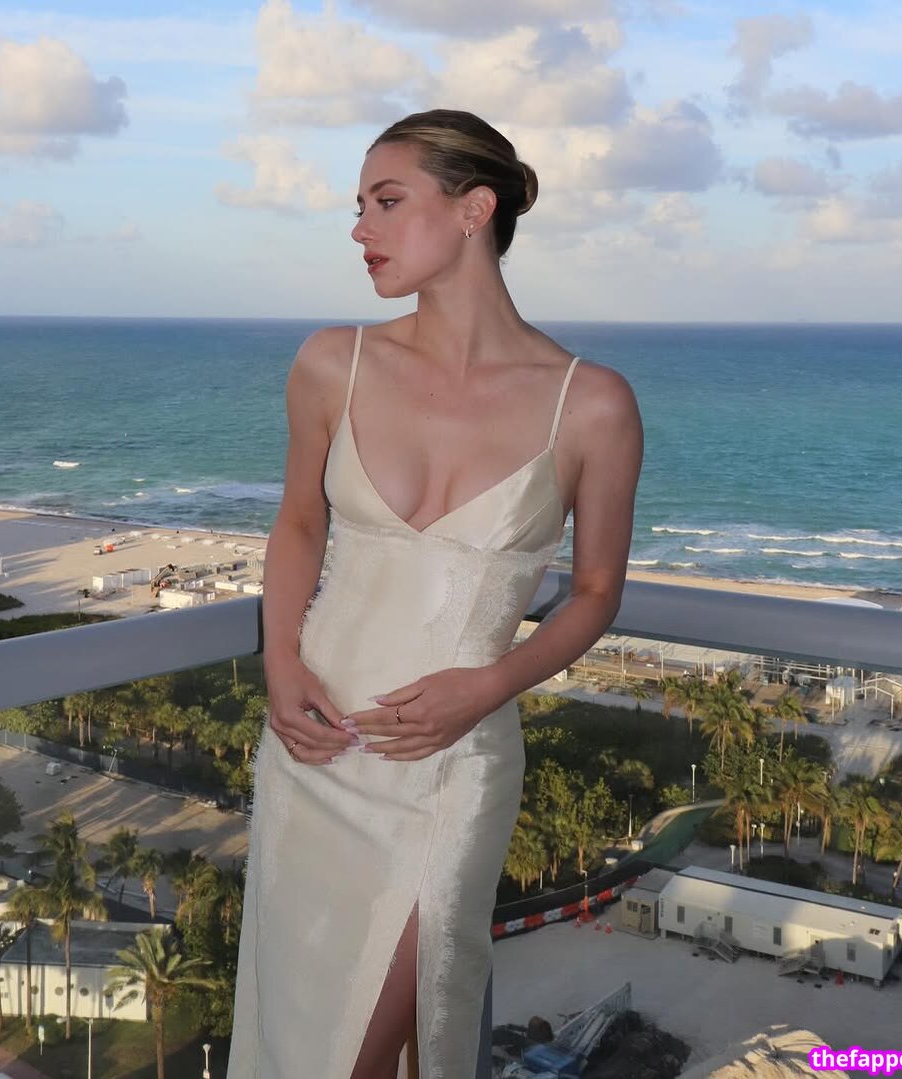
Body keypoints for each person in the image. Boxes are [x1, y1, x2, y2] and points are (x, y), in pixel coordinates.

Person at [227, 109, 642, 1079]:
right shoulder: (332, 361)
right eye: (359, 205)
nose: (359, 227)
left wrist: (489, 685)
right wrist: (280, 660)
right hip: (313, 743)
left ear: (472, 209)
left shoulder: (591, 402)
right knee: (298, 1033)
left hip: (451, 762)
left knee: (372, 1043)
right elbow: (299, 523)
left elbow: (595, 591)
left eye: (385, 201)